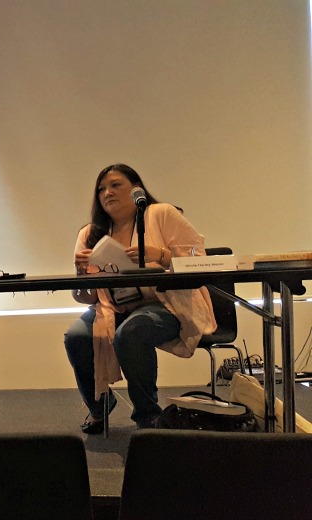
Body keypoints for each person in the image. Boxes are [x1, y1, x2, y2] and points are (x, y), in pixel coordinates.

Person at [64, 164, 216, 432]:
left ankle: (147, 417)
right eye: (101, 189)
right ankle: (99, 407)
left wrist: (160, 255)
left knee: (132, 331)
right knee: (75, 336)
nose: (107, 193)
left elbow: (200, 260)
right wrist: (81, 274)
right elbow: (85, 298)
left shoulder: (162, 214)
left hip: (166, 305)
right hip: (112, 309)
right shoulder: (89, 234)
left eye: (115, 185)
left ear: (137, 190)